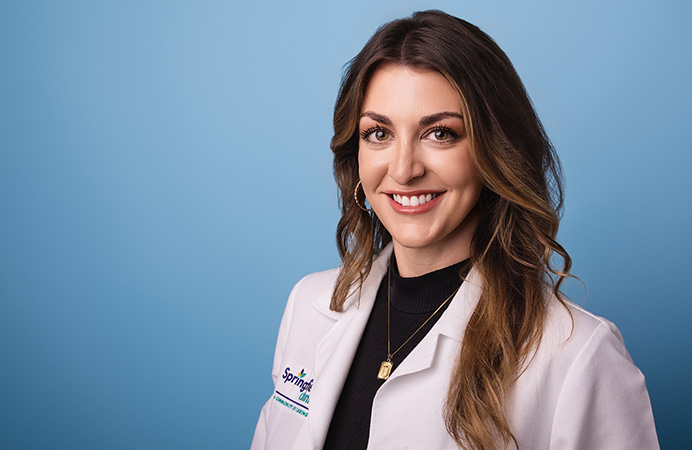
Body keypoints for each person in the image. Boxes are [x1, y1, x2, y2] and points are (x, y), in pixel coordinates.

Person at [251, 10, 659, 450]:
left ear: (495, 151)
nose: (404, 170)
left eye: (440, 133)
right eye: (379, 133)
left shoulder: (575, 355)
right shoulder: (308, 306)